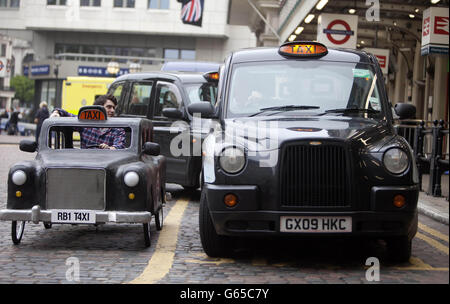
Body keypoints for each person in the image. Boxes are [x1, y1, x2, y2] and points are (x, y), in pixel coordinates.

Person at [51, 94, 126, 149]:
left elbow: (119, 146)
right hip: (85, 163)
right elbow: (65, 113)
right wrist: (56, 113)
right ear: (99, 108)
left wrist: (109, 148)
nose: (112, 110)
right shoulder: (86, 124)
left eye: (114, 108)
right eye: (109, 107)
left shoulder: (118, 129)